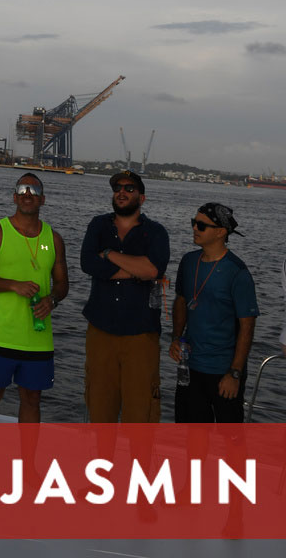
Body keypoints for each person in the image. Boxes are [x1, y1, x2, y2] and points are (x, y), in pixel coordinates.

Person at [0, 173, 68, 422]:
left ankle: (28, 463)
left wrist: (53, 300)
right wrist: (12, 285)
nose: (28, 194)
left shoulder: (54, 239)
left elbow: (62, 284)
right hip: (0, 335)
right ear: (14, 196)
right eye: (22, 189)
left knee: (32, 400)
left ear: (43, 200)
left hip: (38, 339)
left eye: (34, 190)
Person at [80, 170, 170, 422]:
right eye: (118, 187)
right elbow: (88, 263)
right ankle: (102, 461)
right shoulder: (98, 225)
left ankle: (138, 463)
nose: (122, 191)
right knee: (99, 407)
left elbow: (153, 269)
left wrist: (108, 254)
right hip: (100, 330)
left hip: (141, 334)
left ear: (142, 198)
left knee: (141, 411)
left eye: (129, 188)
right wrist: (135, 268)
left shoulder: (156, 232)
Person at [169, 202, 258, 423]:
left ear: (220, 232)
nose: (194, 229)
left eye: (201, 225)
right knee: (192, 437)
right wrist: (176, 338)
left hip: (223, 372)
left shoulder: (237, 272)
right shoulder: (188, 262)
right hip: (190, 368)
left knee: (231, 442)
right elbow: (181, 300)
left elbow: (247, 325)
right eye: (194, 223)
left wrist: (234, 374)